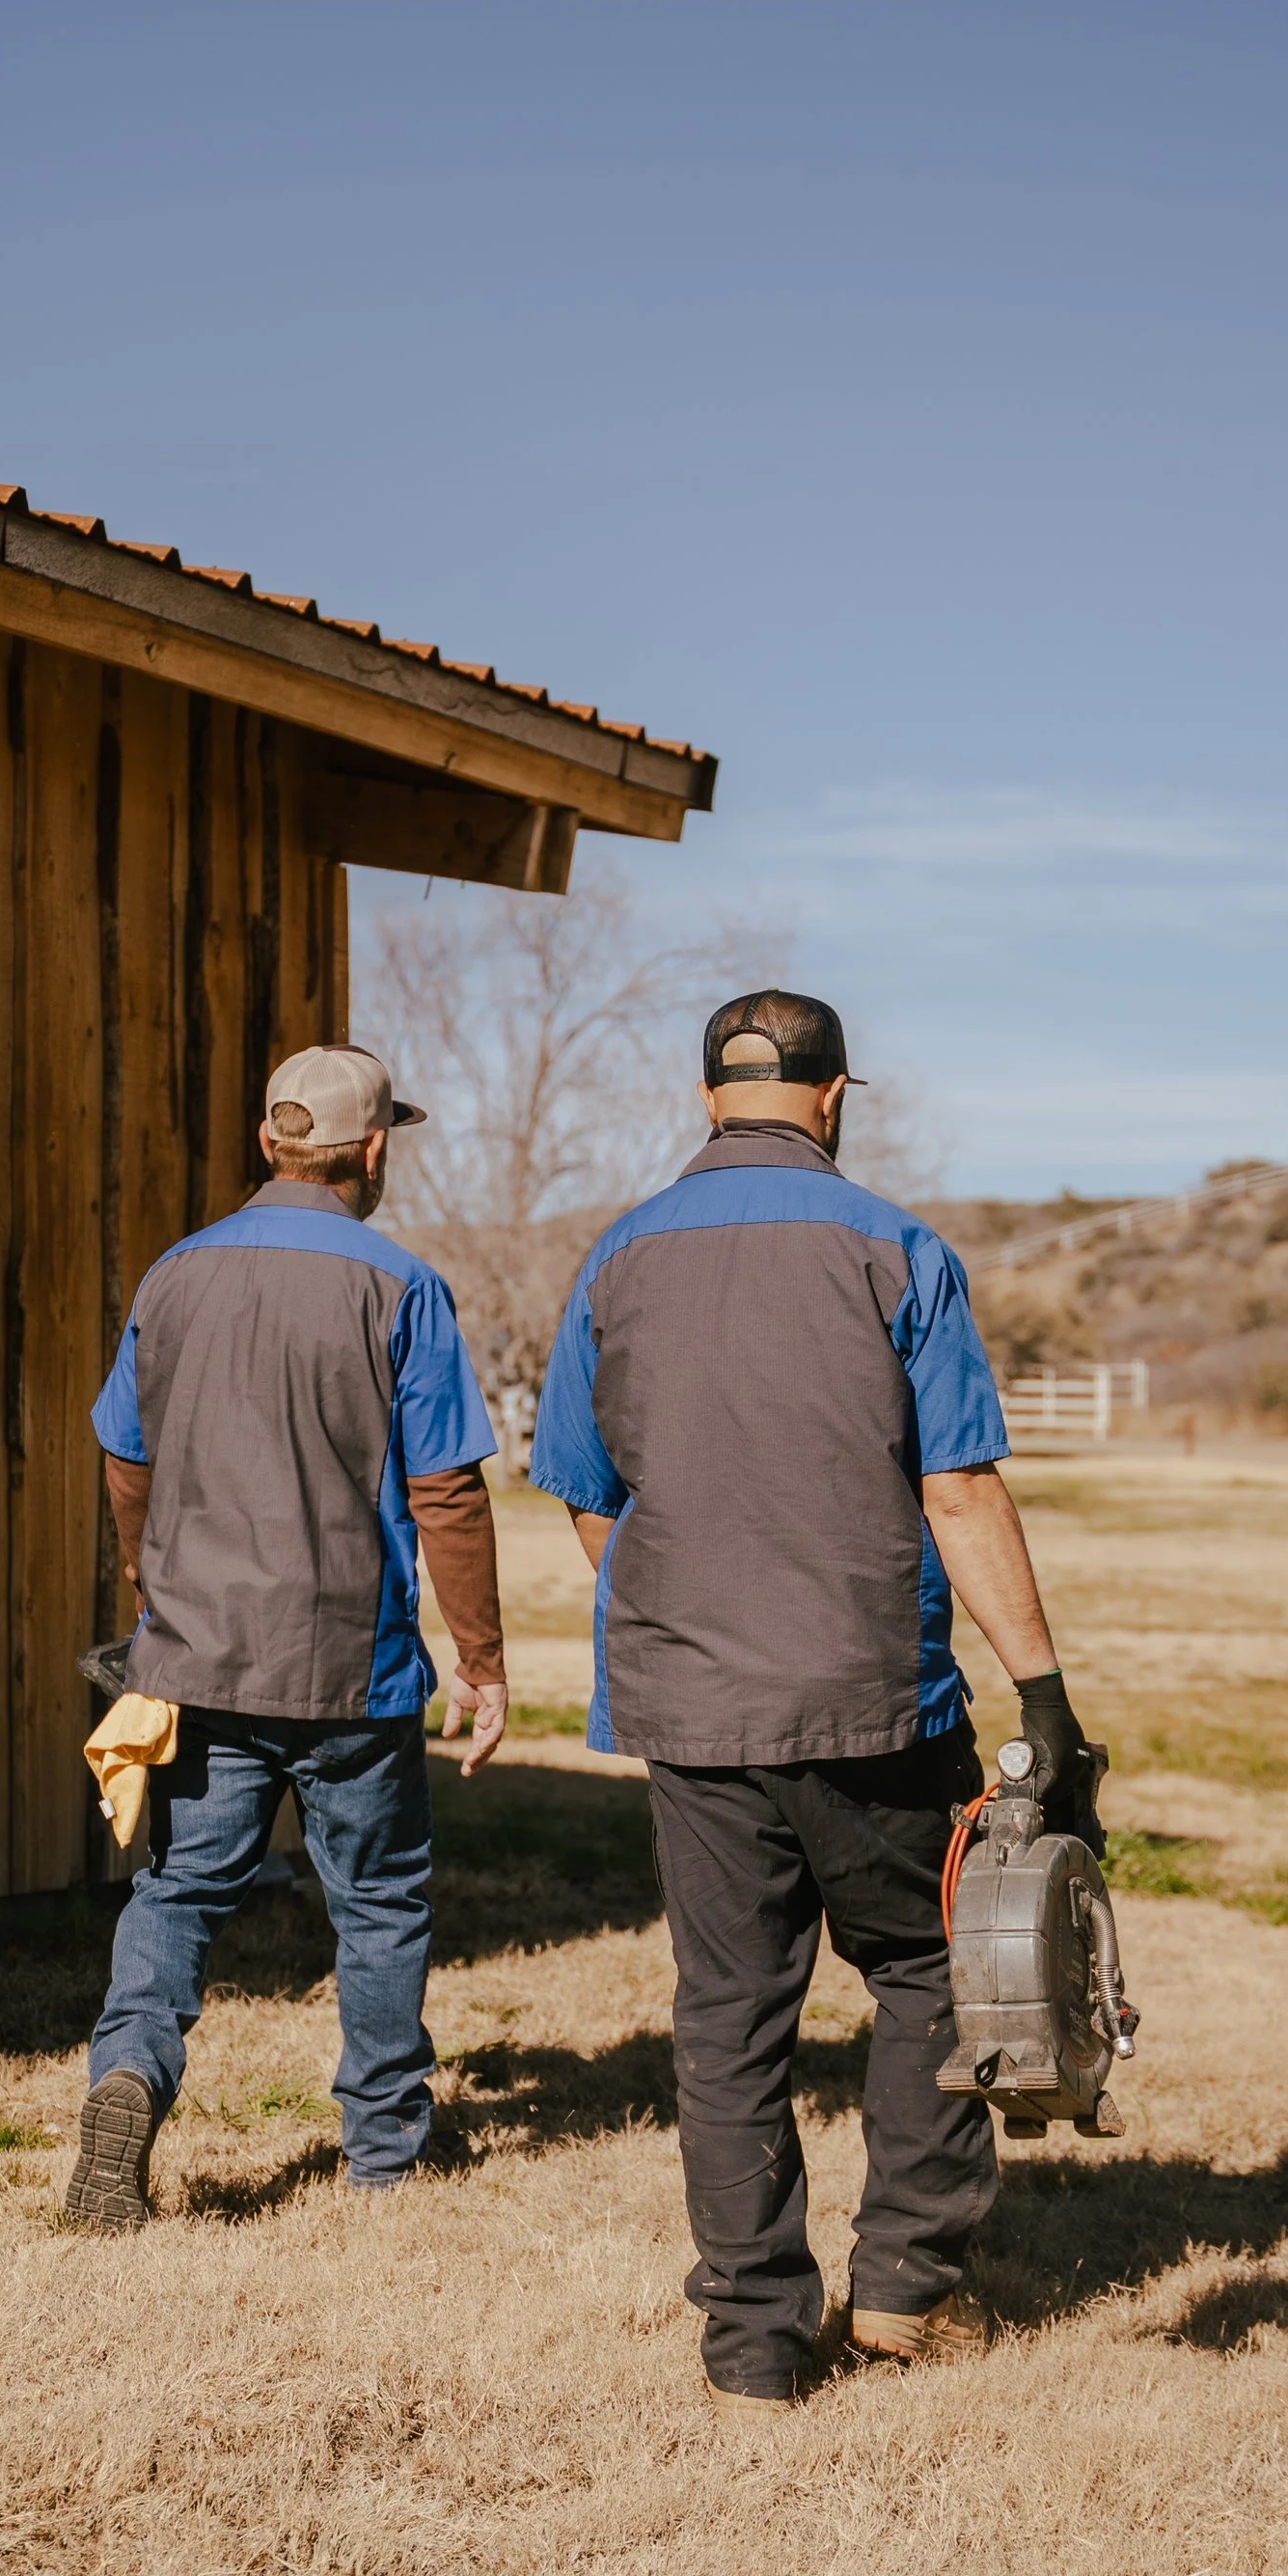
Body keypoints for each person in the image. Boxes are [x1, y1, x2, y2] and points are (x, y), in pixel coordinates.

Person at [529, 987, 1101, 2415]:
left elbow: (586, 1495)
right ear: (837, 1094)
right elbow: (958, 1483)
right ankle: (905, 2287)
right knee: (927, 1972)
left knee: (727, 2010)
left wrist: (679, 1608)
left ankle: (753, 2341)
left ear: (708, 1096)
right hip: (873, 1700)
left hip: (690, 1699)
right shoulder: (893, 1246)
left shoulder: (615, 1255)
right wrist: (1046, 1697)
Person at [59, 1043, 510, 2229]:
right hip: (347, 1670)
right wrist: (482, 1660)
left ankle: (128, 2074)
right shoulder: (400, 1287)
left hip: (195, 1654)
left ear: (269, 1141)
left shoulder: (173, 1276)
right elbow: (448, 1491)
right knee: (377, 1904)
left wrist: (143, 1570)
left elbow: (123, 1449)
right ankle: (383, 2153)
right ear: (371, 1150)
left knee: (179, 1890)